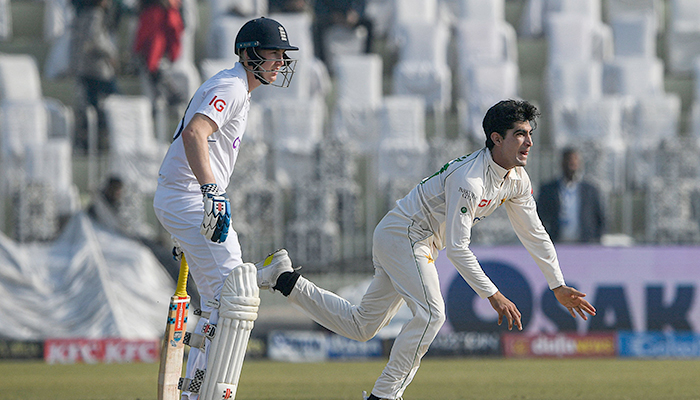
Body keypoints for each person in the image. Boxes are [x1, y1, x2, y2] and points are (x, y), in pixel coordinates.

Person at [256, 100, 597, 400]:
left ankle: (284, 278)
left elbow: (535, 233)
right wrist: (492, 295)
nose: (529, 142)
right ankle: (385, 396)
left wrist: (557, 284)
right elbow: (460, 250)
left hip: (412, 241)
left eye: (530, 133)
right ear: (496, 137)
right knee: (432, 314)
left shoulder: (516, 179)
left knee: (361, 326)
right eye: (520, 134)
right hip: (406, 235)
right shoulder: (470, 179)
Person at [152, 16, 298, 400]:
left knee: (221, 302)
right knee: (237, 295)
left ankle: (194, 391)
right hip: (187, 194)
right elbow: (194, 133)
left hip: (182, 197)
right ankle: (207, 395)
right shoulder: (231, 86)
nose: (280, 62)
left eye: (283, 55)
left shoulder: (239, 89)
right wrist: (211, 193)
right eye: (274, 54)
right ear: (249, 55)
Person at [70, 0, 120, 151]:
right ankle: (99, 143)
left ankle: (91, 143)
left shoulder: (82, 13)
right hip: (96, 71)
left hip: (85, 69)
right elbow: (93, 39)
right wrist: (110, 52)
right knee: (116, 102)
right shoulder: (95, 14)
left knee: (91, 108)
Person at [537, 147, 605, 243]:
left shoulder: (590, 190)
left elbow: (600, 218)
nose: (571, 164)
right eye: (568, 160)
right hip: (556, 244)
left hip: (584, 245)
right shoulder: (548, 190)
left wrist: (596, 240)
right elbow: (540, 216)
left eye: (575, 160)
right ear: (561, 163)